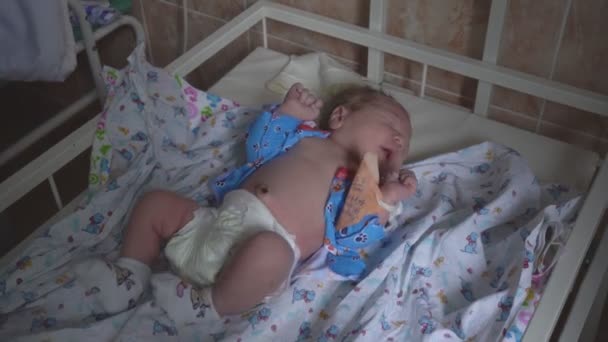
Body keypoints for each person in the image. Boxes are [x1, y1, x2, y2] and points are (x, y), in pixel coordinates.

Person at [72, 83, 417, 322]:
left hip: (258, 258)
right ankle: (130, 273)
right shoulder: (304, 137)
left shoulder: (365, 189)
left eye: (404, 147)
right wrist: (287, 114)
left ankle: (210, 306)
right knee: (155, 202)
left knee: (272, 250)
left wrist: (385, 201)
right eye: (391, 126)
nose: (400, 141)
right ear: (340, 117)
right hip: (211, 224)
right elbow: (260, 150)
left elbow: (347, 237)